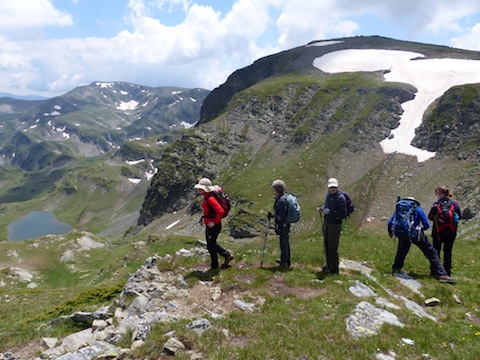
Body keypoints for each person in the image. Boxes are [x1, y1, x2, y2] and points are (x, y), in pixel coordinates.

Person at [387, 197, 456, 283]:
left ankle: (396, 268)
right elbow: (426, 225)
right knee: (431, 252)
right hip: (416, 234)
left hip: (402, 233)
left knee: (402, 251)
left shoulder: (400, 208)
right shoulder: (417, 208)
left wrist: (390, 232)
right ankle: (442, 274)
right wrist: (419, 229)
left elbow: (390, 222)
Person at [194, 178, 233, 271]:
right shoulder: (208, 197)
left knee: (211, 246)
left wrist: (214, 222)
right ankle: (226, 255)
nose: (199, 190)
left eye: (200, 188)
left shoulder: (210, 199)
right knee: (211, 244)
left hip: (213, 225)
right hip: (211, 224)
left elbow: (220, 211)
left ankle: (215, 266)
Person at [428, 186, 462, 276]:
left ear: (440, 194)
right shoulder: (454, 204)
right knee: (448, 251)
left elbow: (430, 217)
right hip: (451, 232)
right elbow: (460, 216)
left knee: (436, 251)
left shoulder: (436, 204)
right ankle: (447, 271)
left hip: (438, 232)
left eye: (437, 194)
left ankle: (435, 271)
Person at [318, 178, 347, 275]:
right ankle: (329, 265)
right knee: (326, 244)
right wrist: (323, 209)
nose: (332, 189)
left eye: (334, 187)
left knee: (332, 247)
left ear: (337, 187)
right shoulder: (329, 196)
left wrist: (331, 212)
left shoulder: (340, 198)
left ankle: (334, 269)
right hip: (327, 223)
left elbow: (343, 213)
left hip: (335, 225)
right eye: (331, 187)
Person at [268, 179, 291, 268]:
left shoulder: (281, 200)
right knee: (285, 241)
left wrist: (279, 225)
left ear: (277, 189)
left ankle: (284, 262)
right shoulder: (283, 198)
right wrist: (273, 216)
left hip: (283, 224)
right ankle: (286, 259)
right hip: (285, 224)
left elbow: (281, 215)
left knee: (283, 242)